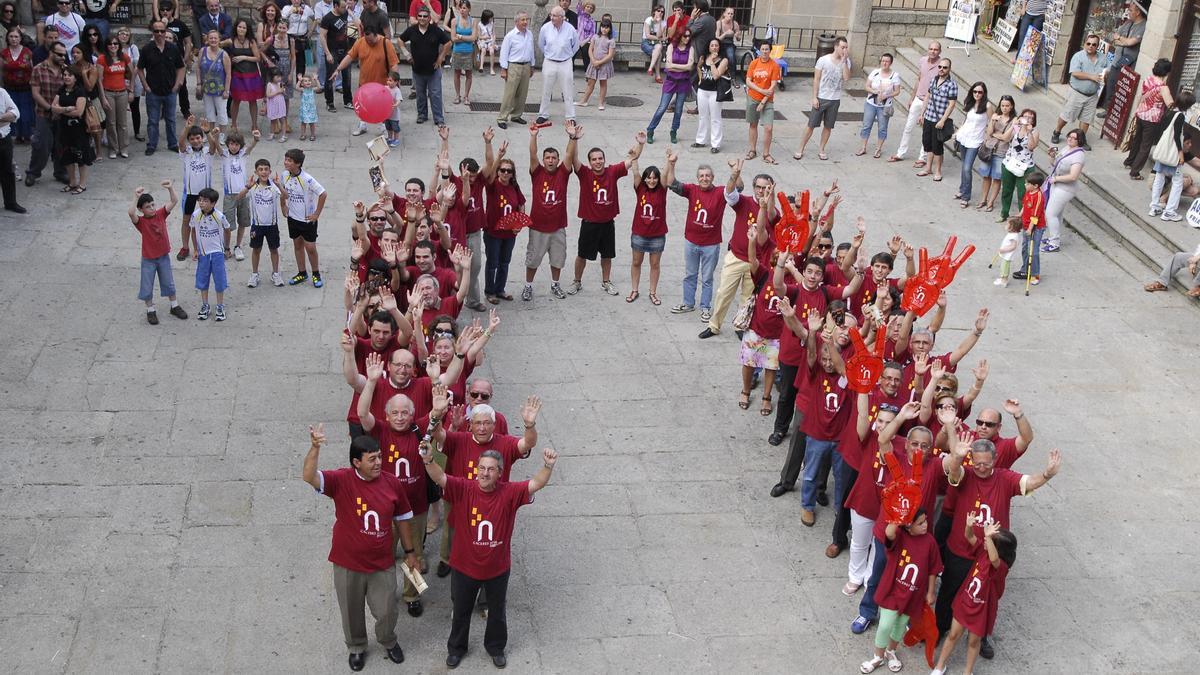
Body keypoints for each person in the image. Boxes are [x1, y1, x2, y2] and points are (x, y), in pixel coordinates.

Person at [424, 440, 558, 669]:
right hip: (464, 568)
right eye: (482, 468)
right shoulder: (463, 488)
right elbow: (439, 477)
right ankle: (456, 649)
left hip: (497, 569)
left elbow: (536, 483)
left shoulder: (510, 493)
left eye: (491, 469)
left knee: (497, 612)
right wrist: (428, 459)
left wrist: (548, 466)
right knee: (461, 611)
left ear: (500, 473)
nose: (485, 473)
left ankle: (496, 648)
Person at [301, 426, 419, 673]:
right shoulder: (341, 480)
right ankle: (356, 647)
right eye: (372, 459)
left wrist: (410, 553)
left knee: (387, 609)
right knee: (351, 611)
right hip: (348, 562)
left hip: (381, 562)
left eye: (380, 456)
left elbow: (404, 519)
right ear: (356, 462)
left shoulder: (392, 483)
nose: (379, 463)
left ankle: (388, 640)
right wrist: (315, 447)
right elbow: (309, 476)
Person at [934, 437, 1061, 655]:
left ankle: (980, 636)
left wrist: (1047, 474)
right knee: (948, 591)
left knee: (985, 598)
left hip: (990, 554)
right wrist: (957, 456)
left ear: (995, 459)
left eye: (986, 462)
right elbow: (954, 473)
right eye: (977, 463)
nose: (981, 468)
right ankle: (940, 628)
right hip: (961, 548)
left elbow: (1028, 483)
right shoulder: (966, 473)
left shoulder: (1004, 478)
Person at [930, 520, 1018, 675]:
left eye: (990, 541)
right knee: (953, 635)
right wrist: (969, 525)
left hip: (981, 610)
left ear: (998, 550)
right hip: (966, 602)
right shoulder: (982, 553)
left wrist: (989, 537)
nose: (985, 540)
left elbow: (994, 560)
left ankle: (968, 671)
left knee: (973, 642)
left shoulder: (1001, 567)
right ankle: (940, 666)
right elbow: (969, 537)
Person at [699, 159, 776, 339]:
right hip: (735, 256)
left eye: (765, 187)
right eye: (758, 186)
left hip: (756, 262)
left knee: (747, 297)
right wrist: (734, 175)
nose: (761, 190)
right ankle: (714, 325)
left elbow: (771, 216)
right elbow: (730, 193)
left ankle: (741, 326)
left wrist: (768, 200)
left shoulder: (772, 209)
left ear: (771, 188)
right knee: (723, 293)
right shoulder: (745, 202)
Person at [859, 509, 941, 674]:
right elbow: (889, 532)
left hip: (913, 594)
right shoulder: (900, 536)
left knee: (900, 626)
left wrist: (931, 592)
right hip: (893, 591)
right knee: (885, 625)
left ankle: (891, 651)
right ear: (909, 526)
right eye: (920, 523)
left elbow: (933, 569)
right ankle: (878, 656)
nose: (925, 525)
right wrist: (899, 516)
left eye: (926, 521)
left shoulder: (930, 542)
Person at [566, 122, 643, 297]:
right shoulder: (584, 173)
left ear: (604, 159)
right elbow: (572, 158)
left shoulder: (612, 172)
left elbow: (632, 159)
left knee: (607, 255)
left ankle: (606, 281)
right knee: (582, 255)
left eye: (600, 158)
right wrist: (574, 139)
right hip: (589, 223)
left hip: (607, 223)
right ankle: (577, 281)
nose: (598, 161)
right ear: (590, 162)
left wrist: (640, 143)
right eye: (594, 159)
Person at [668, 162, 727, 318]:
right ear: (697, 178)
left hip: (711, 244)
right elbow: (672, 183)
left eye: (707, 175)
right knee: (690, 274)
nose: (704, 178)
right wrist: (672, 164)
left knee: (707, 277)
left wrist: (736, 172)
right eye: (701, 176)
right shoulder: (692, 190)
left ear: (713, 177)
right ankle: (688, 303)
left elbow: (738, 188)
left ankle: (705, 307)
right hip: (691, 241)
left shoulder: (721, 192)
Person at [522, 123, 571, 300]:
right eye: (548, 157)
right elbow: (532, 154)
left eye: (553, 157)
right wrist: (533, 136)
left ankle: (555, 285)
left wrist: (572, 137)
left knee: (558, 259)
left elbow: (570, 154)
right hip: (538, 227)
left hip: (558, 227)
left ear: (558, 160)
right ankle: (528, 286)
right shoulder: (537, 172)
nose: (550, 160)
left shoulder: (563, 174)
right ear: (543, 160)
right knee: (533, 259)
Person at [130, 181, 188, 323]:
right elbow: (130, 212)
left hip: (163, 256)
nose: (151, 208)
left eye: (152, 205)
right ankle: (150, 310)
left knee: (169, 282)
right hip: (148, 259)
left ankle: (174, 305)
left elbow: (174, 201)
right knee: (147, 284)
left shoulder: (161, 214)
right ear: (141, 210)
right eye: (147, 207)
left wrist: (170, 188)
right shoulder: (141, 222)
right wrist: (135, 196)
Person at [480, 127, 524, 303]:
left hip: (509, 233)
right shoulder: (492, 186)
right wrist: (497, 153)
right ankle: (490, 291)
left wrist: (519, 224)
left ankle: (500, 289)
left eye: (509, 171)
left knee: (505, 263)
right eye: (503, 170)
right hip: (493, 232)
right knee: (492, 264)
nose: (505, 173)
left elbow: (521, 204)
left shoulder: (514, 186)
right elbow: (489, 171)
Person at [331, 25, 400, 136]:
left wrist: (395, 81)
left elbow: (394, 64)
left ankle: (384, 128)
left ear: (376, 35)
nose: (369, 42)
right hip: (364, 84)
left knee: (382, 108)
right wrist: (338, 69)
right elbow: (350, 56)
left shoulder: (386, 43)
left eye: (371, 40)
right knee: (363, 106)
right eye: (367, 40)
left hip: (382, 85)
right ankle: (362, 125)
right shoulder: (360, 42)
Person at [628, 150, 673, 305]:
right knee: (636, 262)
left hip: (657, 235)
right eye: (649, 177)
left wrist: (668, 161)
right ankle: (634, 289)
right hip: (639, 233)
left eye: (655, 178)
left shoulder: (662, 190)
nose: (652, 180)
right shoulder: (640, 189)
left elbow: (666, 175)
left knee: (655, 264)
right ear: (645, 179)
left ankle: (653, 292)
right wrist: (634, 158)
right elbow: (635, 174)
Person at [796, 35, 850, 161]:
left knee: (828, 126)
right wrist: (814, 97)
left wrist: (844, 62)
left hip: (835, 99)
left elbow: (846, 78)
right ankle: (800, 149)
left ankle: (821, 149)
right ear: (836, 47)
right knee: (811, 125)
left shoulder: (845, 62)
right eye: (843, 47)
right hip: (822, 97)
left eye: (846, 48)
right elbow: (816, 79)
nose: (844, 50)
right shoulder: (823, 60)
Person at [888, 40, 940, 166]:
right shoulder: (922, 60)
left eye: (935, 49)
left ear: (939, 51)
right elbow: (919, 79)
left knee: (926, 131)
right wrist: (912, 97)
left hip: (931, 102)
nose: (933, 51)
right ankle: (901, 153)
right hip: (918, 98)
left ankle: (922, 157)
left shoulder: (941, 65)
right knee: (908, 127)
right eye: (931, 49)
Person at [1149, 92, 1199, 223]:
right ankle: (1169, 211)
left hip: (1163, 152)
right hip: (1172, 154)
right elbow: (1177, 137)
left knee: (1159, 178)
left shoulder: (1169, 112)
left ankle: (1154, 206)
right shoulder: (1180, 116)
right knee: (1177, 182)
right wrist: (1181, 154)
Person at [138, 19, 185, 157]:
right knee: (153, 120)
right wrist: (145, 86)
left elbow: (181, 67)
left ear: (166, 32)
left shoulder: (173, 48)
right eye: (156, 31)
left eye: (162, 31)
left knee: (171, 119)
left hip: (170, 90)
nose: (159, 33)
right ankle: (152, 145)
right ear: (152, 33)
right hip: (153, 91)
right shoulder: (147, 49)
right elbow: (140, 69)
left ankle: (172, 144)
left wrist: (178, 85)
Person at [281, 147, 327, 287]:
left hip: (307, 220)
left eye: (289, 160)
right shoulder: (284, 175)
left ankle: (316, 274)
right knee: (297, 245)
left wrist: (316, 214)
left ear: (298, 164)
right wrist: (283, 205)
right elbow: (282, 191)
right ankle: (302, 273)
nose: (286, 162)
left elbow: (323, 194)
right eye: (286, 159)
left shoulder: (307, 179)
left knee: (310, 248)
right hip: (293, 218)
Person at [237, 158, 286, 287]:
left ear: (270, 171)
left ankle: (276, 274)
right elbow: (238, 197)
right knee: (256, 250)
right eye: (260, 169)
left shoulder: (274, 187)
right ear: (256, 171)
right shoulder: (252, 187)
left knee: (274, 250)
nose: (263, 172)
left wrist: (279, 185)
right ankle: (254, 274)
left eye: (266, 169)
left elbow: (285, 196)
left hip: (272, 226)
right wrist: (247, 187)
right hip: (257, 226)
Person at [399, 5, 451, 126]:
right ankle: (422, 115)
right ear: (417, 17)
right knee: (420, 94)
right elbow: (400, 40)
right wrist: (406, 52)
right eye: (420, 16)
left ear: (429, 18)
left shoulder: (435, 30)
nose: (422, 18)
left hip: (433, 69)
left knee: (435, 94)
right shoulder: (412, 30)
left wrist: (441, 57)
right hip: (417, 69)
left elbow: (448, 43)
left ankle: (438, 118)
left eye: (425, 16)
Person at [1040, 128, 1087, 254]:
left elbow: (1073, 176)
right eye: (1069, 137)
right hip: (1056, 184)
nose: (1070, 139)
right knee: (1057, 213)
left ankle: (1054, 242)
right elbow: (1055, 164)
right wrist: (1051, 156)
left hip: (1065, 188)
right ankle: (1053, 238)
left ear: (1079, 140)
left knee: (1050, 213)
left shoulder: (1079, 155)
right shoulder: (1066, 148)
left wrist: (1056, 178)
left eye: (1074, 138)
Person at [1126, 58, 1173, 181]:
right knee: (1145, 146)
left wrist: (1137, 110)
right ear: (1167, 72)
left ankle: (1129, 161)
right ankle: (1135, 172)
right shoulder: (1163, 88)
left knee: (1137, 140)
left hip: (1141, 114)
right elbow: (1170, 104)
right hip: (1152, 119)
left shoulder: (1148, 79)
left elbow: (1141, 95)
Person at [1052, 35, 1102, 149]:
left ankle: (1081, 140)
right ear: (1085, 44)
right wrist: (1092, 77)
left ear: (1097, 46)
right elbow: (1075, 73)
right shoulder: (1078, 56)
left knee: (1086, 119)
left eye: (1094, 44)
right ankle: (1057, 131)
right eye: (1088, 43)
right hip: (1076, 93)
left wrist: (1105, 75)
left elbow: (1106, 71)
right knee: (1066, 115)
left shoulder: (1103, 59)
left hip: (1092, 95)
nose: (1090, 46)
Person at [215, 127, 258, 259]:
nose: (234, 147)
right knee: (227, 224)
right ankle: (226, 247)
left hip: (244, 194)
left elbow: (251, 146)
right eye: (232, 144)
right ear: (228, 144)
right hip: (229, 195)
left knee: (243, 222)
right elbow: (216, 145)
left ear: (240, 145)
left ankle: (238, 246)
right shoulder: (224, 155)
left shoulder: (243, 154)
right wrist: (213, 136)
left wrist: (256, 139)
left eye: (237, 144)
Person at [189, 187, 232, 320]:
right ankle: (205, 305)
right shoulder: (196, 215)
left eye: (205, 201)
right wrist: (196, 249)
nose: (201, 203)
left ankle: (220, 306)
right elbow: (193, 231)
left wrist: (226, 248)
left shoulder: (219, 216)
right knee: (203, 280)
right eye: (200, 200)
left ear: (213, 203)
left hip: (217, 254)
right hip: (203, 254)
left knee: (219, 281)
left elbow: (227, 230)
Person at [1098, 0, 1145, 117]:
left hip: (1129, 65)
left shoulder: (1143, 26)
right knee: (1111, 85)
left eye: (1130, 10)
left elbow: (1131, 42)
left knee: (1121, 91)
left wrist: (1121, 40)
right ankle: (1108, 110)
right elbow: (1114, 37)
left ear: (1138, 12)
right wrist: (1121, 40)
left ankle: (1116, 115)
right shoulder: (1128, 23)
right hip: (1117, 61)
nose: (1128, 12)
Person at [645, 29, 692, 145]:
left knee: (679, 109)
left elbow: (690, 67)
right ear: (680, 36)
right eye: (685, 36)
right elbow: (668, 65)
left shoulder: (690, 48)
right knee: (662, 107)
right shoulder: (672, 46)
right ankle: (650, 129)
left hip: (683, 82)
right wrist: (682, 67)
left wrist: (674, 67)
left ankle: (674, 131)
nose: (687, 38)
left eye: (689, 36)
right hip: (671, 81)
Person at [52, 67, 92, 194]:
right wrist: (67, 109)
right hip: (64, 129)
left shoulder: (80, 91)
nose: (66, 77)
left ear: (75, 77)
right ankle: (72, 181)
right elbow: (53, 107)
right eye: (64, 75)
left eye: (69, 75)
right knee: (67, 156)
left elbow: (79, 112)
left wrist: (61, 110)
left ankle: (83, 184)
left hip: (79, 131)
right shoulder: (61, 89)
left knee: (80, 157)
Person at [535, 5, 577, 125]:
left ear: (562, 17)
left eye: (554, 16)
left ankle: (570, 116)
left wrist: (566, 56)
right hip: (550, 62)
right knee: (546, 90)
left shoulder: (570, 29)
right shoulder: (545, 28)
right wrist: (550, 54)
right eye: (551, 15)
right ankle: (543, 114)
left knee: (568, 91)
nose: (551, 18)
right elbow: (541, 44)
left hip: (565, 62)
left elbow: (575, 45)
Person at [917, 58, 957, 182]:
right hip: (928, 117)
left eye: (945, 67)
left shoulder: (952, 84)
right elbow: (928, 97)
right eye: (940, 67)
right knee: (927, 143)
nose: (941, 69)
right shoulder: (934, 80)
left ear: (949, 69)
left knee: (937, 147)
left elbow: (951, 104)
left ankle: (938, 170)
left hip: (938, 119)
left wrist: (943, 120)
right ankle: (928, 168)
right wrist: (922, 113)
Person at [996, 108, 1038, 222]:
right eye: (1025, 116)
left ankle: (1022, 217)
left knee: (1022, 192)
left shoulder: (1034, 131)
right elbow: (1005, 138)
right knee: (1007, 190)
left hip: (1025, 166)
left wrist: (1028, 132)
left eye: (1030, 117)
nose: (1027, 119)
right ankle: (1004, 213)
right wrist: (1013, 125)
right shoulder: (1016, 127)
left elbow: (1031, 147)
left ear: (1033, 120)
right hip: (1010, 161)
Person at [743, 40, 780, 164]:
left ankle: (766, 153)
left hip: (767, 101)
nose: (764, 51)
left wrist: (763, 101)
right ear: (759, 50)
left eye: (767, 49)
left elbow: (773, 86)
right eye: (762, 49)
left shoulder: (774, 65)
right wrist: (761, 90)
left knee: (768, 128)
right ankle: (752, 150)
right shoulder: (754, 63)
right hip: (753, 97)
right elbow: (748, 81)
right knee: (753, 124)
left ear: (770, 51)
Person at [954, 81, 990, 208]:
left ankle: (966, 196)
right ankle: (962, 189)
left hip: (976, 140)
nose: (977, 94)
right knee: (964, 165)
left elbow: (990, 123)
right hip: (964, 136)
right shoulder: (970, 103)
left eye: (980, 92)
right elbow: (966, 120)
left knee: (967, 167)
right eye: (975, 91)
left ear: (984, 93)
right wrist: (958, 131)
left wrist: (987, 138)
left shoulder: (987, 106)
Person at [976, 95, 1014, 211]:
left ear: (1011, 106)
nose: (1004, 108)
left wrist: (995, 135)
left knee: (997, 178)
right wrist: (993, 121)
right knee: (986, 176)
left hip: (1001, 151)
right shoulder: (995, 116)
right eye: (1002, 105)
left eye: (1007, 106)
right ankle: (983, 199)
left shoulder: (1014, 120)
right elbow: (988, 133)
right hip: (989, 148)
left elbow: (1007, 137)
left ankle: (991, 202)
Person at [858, 52, 900, 158]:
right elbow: (866, 86)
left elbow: (897, 91)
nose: (884, 63)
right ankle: (863, 147)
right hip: (871, 103)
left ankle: (878, 148)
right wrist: (874, 91)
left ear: (891, 63)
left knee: (882, 127)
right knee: (866, 125)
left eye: (887, 61)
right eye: (883, 61)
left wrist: (887, 95)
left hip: (884, 105)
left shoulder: (894, 75)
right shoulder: (875, 72)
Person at [494, 10, 532, 130]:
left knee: (522, 94)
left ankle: (516, 115)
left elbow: (531, 51)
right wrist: (504, 69)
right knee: (510, 94)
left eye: (526, 19)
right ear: (516, 22)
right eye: (523, 20)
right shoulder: (510, 36)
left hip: (526, 66)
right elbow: (504, 53)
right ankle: (502, 117)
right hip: (513, 66)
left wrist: (532, 66)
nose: (525, 22)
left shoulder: (529, 34)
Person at [156, 2, 192, 119]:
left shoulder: (180, 24)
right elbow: (154, 41)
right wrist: (163, 25)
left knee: (182, 86)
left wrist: (185, 59)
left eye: (168, 9)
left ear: (173, 10)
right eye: (162, 10)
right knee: (163, 85)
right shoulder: (158, 26)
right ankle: (163, 110)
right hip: (163, 61)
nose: (165, 12)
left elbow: (188, 42)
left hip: (178, 61)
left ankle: (185, 110)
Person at [97, 35, 130, 158]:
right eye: (110, 44)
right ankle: (113, 148)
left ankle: (124, 148)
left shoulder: (124, 57)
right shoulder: (102, 59)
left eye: (115, 43)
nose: (113, 46)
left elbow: (132, 72)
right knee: (110, 122)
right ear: (106, 46)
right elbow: (99, 80)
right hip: (108, 92)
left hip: (122, 92)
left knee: (122, 122)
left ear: (119, 45)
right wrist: (103, 97)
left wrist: (130, 89)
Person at [693, 37, 726, 153]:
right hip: (702, 90)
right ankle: (700, 140)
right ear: (708, 47)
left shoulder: (723, 60)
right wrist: (700, 79)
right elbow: (698, 67)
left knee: (715, 118)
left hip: (715, 91)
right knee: (703, 116)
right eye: (712, 45)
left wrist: (712, 62)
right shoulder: (703, 57)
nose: (714, 47)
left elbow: (716, 75)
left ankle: (715, 144)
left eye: (716, 45)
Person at [195, 30, 231, 134]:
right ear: (207, 39)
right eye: (211, 38)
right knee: (209, 113)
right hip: (206, 89)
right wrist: (198, 83)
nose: (213, 40)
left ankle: (222, 135)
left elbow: (228, 74)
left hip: (220, 90)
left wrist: (227, 90)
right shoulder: (203, 51)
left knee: (222, 113)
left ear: (219, 40)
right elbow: (198, 67)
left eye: (215, 38)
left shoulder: (224, 54)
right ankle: (210, 134)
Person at [3, 28, 33, 144]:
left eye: (16, 37)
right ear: (7, 38)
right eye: (11, 36)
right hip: (10, 87)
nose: (14, 39)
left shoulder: (28, 52)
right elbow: (1, 70)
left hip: (25, 87)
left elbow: (33, 68)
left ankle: (27, 135)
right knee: (12, 110)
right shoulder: (4, 53)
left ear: (20, 38)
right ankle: (15, 135)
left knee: (25, 111)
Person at [577, 20, 613, 109]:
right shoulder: (595, 37)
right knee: (590, 83)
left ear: (610, 29)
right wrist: (593, 60)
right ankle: (584, 101)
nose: (604, 29)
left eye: (607, 27)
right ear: (600, 27)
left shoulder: (611, 40)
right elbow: (590, 49)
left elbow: (610, 55)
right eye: (603, 27)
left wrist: (599, 62)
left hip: (604, 65)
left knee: (603, 84)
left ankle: (601, 103)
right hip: (593, 63)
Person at [446, 0, 475, 106]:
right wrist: (466, 38)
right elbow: (453, 38)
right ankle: (457, 95)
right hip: (457, 51)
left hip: (468, 52)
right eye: (460, 8)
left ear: (469, 9)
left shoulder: (473, 21)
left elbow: (473, 37)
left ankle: (466, 96)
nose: (462, 10)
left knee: (469, 74)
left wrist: (461, 37)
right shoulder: (454, 21)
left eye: (464, 8)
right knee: (457, 73)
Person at [0, 84, 22, 212]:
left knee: (8, 171)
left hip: (4, 138)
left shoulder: (1, 92)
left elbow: (15, 113)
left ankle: (10, 202)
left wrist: (2, 118)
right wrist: (6, 118)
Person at [282, 0, 314, 77]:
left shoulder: (306, 8)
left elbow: (315, 18)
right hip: (290, 37)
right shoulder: (287, 8)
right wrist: (291, 12)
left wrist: (311, 31)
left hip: (302, 38)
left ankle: (299, 83)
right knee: (288, 61)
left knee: (301, 62)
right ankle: (287, 80)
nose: (296, 1)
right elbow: (282, 20)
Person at [993, 218, 1022, 287]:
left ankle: (1004, 280)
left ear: (1012, 227)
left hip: (1008, 255)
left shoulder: (1013, 236)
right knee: (1004, 266)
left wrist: (1004, 250)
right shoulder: (1012, 234)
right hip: (1006, 254)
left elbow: (1013, 246)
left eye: (1007, 224)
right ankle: (1002, 278)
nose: (1005, 225)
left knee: (1004, 267)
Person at [641, 5, 665, 80]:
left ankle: (650, 69)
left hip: (656, 43)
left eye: (662, 12)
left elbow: (659, 35)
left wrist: (659, 23)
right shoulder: (649, 20)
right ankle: (657, 76)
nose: (660, 13)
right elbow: (648, 35)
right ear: (654, 11)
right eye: (658, 11)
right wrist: (659, 39)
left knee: (659, 47)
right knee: (659, 54)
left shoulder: (663, 23)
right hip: (646, 42)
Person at [715, 7, 739, 77]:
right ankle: (716, 74)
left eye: (732, 14)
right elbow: (717, 39)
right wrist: (725, 34)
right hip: (720, 44)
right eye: (728, 13)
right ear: (724, 14)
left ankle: (733, 77)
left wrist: (737, 35)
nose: (730, 15)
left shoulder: (735, 24)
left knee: (731, 57)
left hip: (729, 44)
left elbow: (738, 39)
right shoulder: (719, 23)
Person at [265, 68, 287, 140]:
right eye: (277, 77)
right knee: (273, 120)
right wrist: (278, 91)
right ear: (272, 77)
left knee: (282, 119)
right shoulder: (269, 84)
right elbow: (268, 95)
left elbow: (284, 93)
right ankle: (272, 133)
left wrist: (283, 90)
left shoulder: (280, 84)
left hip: (280, 104)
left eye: (280, 76)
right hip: (272, 105)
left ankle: (283, 135)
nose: (279, 78)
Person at [297, 72, 318, 139]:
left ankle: (313, 135)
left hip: (311, 110)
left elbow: (319, 87)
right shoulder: (303, 90)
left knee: (312, 123)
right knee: (303, 123)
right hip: (304, 109)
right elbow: (296, 87)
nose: (308, 82)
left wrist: (316, 79)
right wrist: (299, 81)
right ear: (302, 84)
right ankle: (303, 134)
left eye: (309, 80)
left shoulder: (312, 89)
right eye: (305, 81)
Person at [476, 9, 495, 74]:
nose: (492, 19)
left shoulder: (492, 23)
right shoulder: (480, 24)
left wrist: (493, 42)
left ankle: (492, 69)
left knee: (492, 51)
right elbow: (479, 36)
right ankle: (481, 66)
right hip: (482, 40)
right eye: (490, 18)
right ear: (486, 18)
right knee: (483, 50)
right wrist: (485, 37)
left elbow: (494, 34)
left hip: (490, 40)